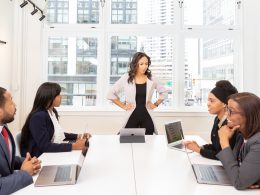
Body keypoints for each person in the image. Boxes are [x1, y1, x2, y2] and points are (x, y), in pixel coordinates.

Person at [20, 82, 91, 158]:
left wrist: (78, 136)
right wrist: (73, 146)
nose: (61, 97)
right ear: (49, 97)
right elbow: (45, 146)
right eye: (58, 95)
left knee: (83, 151)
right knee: (79, 153)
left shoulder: (52, 112)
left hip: (48, 152)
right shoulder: (38, 117)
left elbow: (56, 133)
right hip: (39, 157)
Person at [107, 52, 167, 134]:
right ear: (135, 64)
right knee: (126, 142)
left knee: (148, 143)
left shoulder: (152, 78)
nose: (144, 66)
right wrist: (123, 106)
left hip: (147, 117)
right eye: (141, 64)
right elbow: (110, 94)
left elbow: (164, 92)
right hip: (132, 116)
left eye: (146, 64)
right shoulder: (126, 77)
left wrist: (155, 104)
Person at [184, 80, 241, 160]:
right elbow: (216, 146)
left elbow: (223, 155)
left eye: (212, 101)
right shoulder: (217, 119)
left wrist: (198, 150)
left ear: (225, 103)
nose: (208, 103)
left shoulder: (230, 124)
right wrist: (201, 147)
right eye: (208, 100)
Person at [0, 87, 41, 195]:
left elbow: (5, 160)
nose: (15, 105)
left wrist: (26, 162)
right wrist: (24, 173)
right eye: (11, 101)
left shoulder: (3, 127)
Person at [217, 92, 260, 190]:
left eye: (231, 111)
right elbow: (234, 166)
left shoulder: (258, 142)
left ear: (249, 115)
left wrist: (224, 141)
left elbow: (239, 182)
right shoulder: (241, 135)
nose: (226, 114)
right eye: (227, 109)